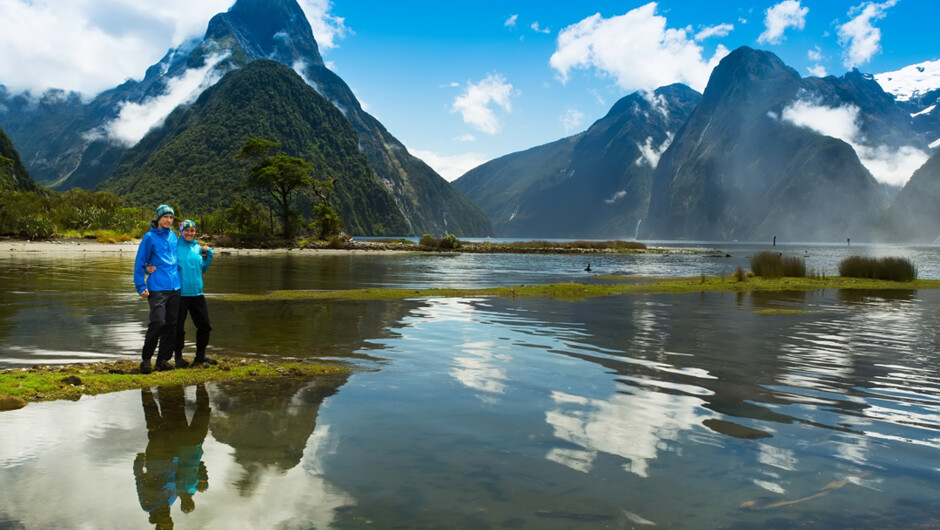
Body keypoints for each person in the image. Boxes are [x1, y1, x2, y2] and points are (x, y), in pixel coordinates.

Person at [134, 205, 181, 374]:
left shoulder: (173, 237)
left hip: (175, 287)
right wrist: (141, 286)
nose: (169, 220)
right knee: (158, 322)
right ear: (159, 218)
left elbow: (178, 257)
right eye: (166, 217)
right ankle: (146, 360)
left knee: (171, 325)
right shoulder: (149, 237)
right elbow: (140, 262)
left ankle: (162, 360)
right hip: (157, 288)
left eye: (171, 218)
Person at [174, 219, 217, 367]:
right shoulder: (175, 247)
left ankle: (200, 357)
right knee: (178, 327)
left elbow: (202, 269)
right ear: (181, 231)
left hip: (197, 294)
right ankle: (178, 358)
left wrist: (209, 255)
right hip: (180, 294)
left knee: (204, 326)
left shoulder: (197, 248)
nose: (189, 233)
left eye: (192, 230)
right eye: (186, 230)